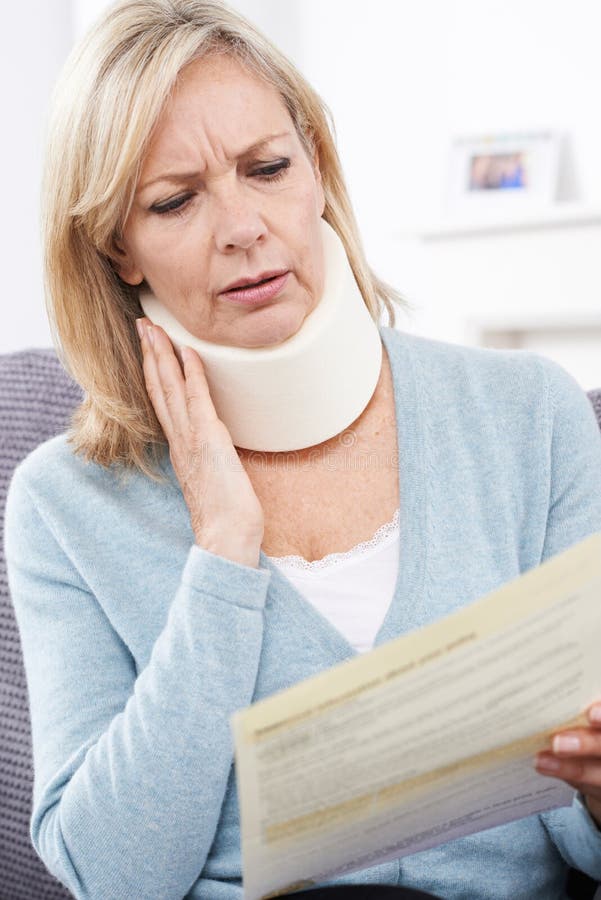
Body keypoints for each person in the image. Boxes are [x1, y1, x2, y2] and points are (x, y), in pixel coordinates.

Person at [4, 1, 601, 898]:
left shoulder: (528, 415)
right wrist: (220, 555)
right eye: (173, 200)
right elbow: (112, 879)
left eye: (268, 168)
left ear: (315, 170)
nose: (242, 225)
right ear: (117, 248)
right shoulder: (65, 501)